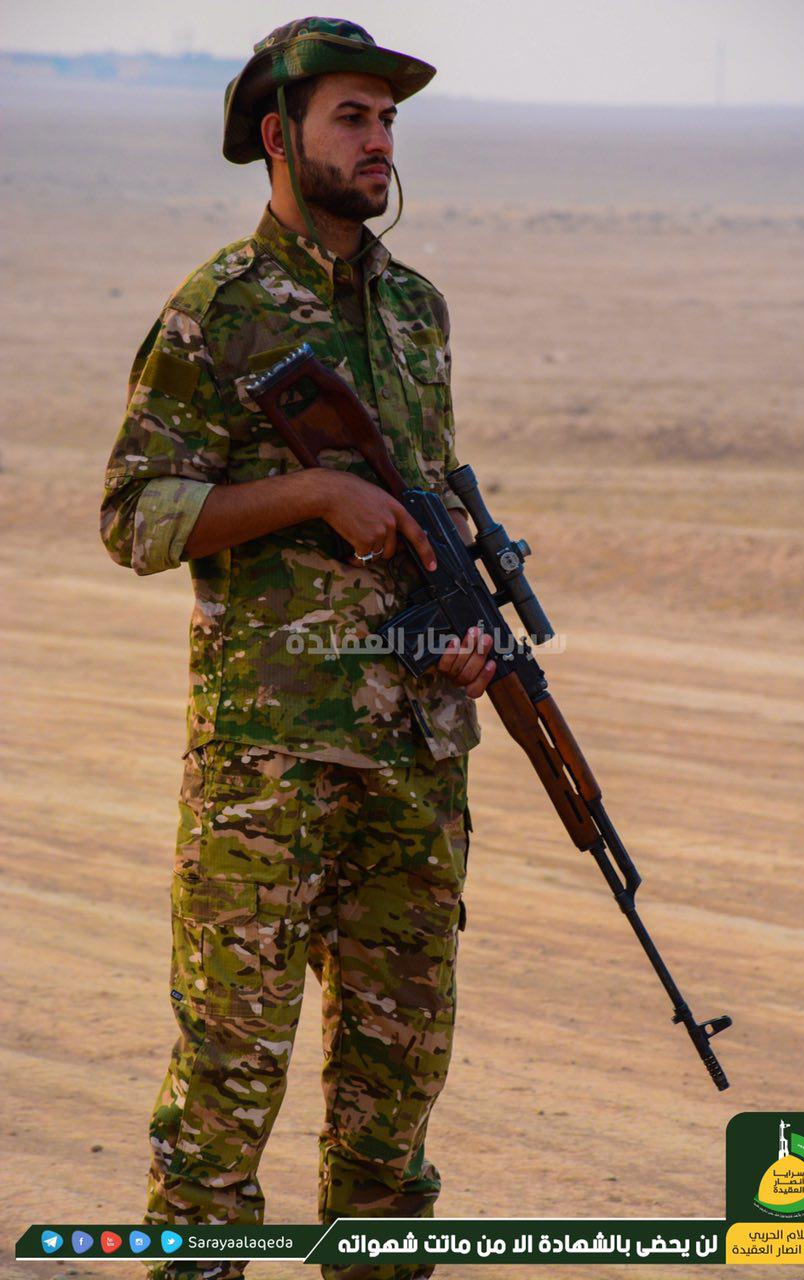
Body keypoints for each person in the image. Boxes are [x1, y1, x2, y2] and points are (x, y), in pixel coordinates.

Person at [100, 17, 495, 1280]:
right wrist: (314, 493)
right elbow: (135, 514)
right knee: (225, 1094)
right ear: (279, 137)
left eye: (389, 119)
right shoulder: (218, 309)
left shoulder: (417, 311)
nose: (380, 141)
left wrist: (466, 629)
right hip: (268, 768)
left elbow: (429, 504)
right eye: (351, 117)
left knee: (394, 1107)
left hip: (416, 763)